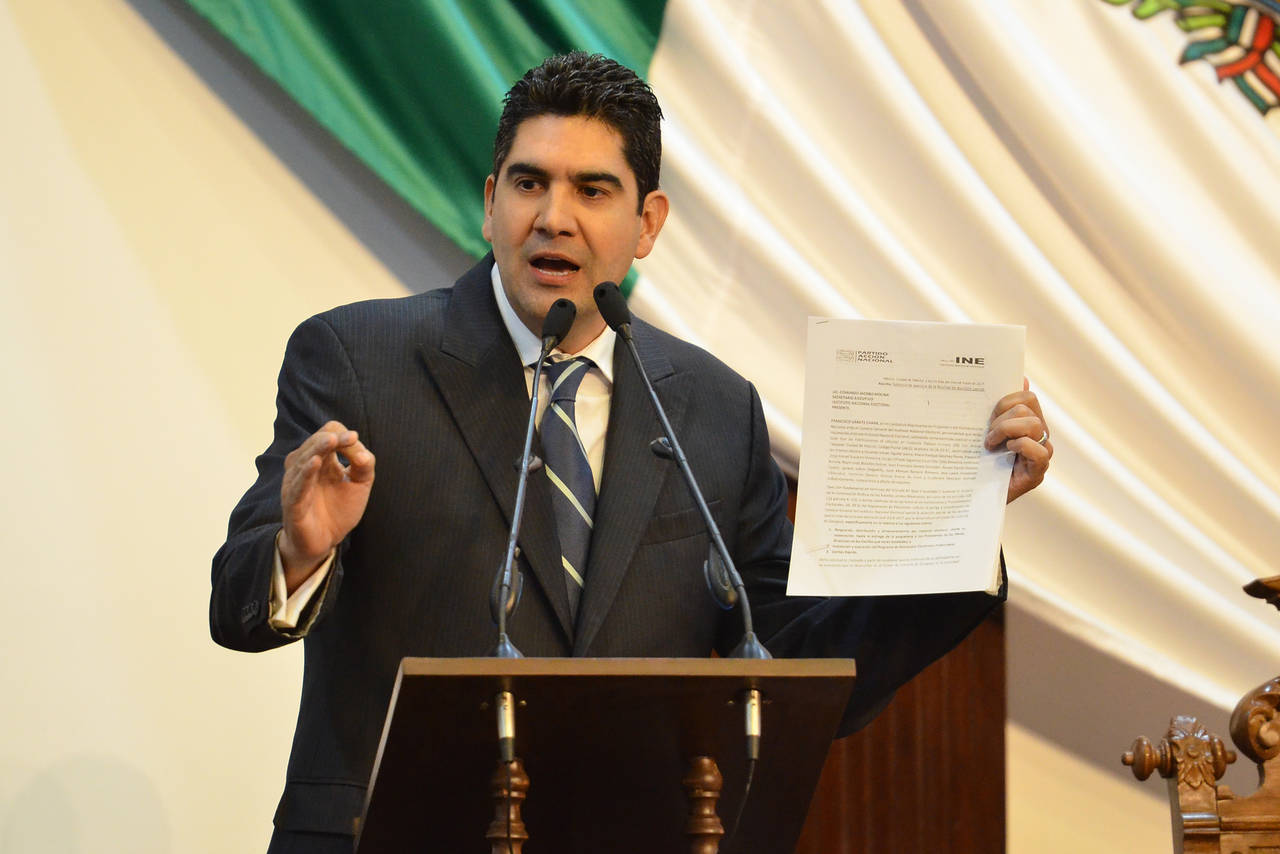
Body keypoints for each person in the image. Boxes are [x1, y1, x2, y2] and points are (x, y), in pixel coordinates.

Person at [210, 52, 1052, 853]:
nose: (553, 216)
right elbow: (235, 603)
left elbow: (798, 658)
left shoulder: (715, 409)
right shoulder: (360, 358)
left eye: (592, 189)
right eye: (528, 183)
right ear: (490, 202)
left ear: (647, 223)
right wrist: (298, 552)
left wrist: (964, 520)